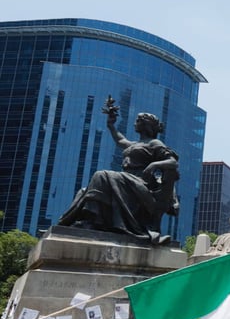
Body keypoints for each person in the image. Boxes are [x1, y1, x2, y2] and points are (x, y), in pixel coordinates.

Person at [58, 99, 179, 245]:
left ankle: (94, 221)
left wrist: (154, 165)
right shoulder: (135, 144)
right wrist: (111, 124)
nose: (135, 123)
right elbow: (120, 140)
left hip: (141, 183)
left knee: (102, 175)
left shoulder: (154, 143)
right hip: (125, 181)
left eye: (138, 120)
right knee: (84, 190)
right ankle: (90, 221)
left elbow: (173, 162)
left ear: (146, 125)